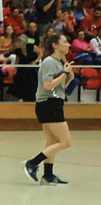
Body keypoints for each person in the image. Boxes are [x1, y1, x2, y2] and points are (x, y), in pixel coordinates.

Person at [25, 30, 74, 185]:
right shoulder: (49, 62)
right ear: (55, 45)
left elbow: (58, 87)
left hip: (53, 102)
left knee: (52, 141)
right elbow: (47, 86)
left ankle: (48, 175)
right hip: (49, 104)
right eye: (65, 41)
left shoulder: (58, 63)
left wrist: (68, 77)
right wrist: (64, 74)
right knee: (66, 141)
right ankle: (32, 163)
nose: (68, 44)